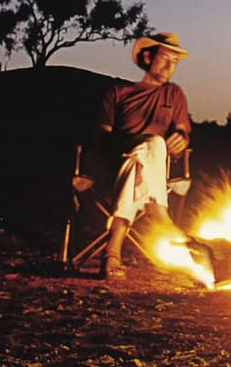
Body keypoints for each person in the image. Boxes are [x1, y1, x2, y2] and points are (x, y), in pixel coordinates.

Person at [89, 31, 193, 280]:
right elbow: (100, 138)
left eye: (174, 63)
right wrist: (129, 146)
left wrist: (181, 139)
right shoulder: (117, 92)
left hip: (146, 169)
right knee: (148, 147)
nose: (170, 67)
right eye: (165, 59)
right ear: (148, 57)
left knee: (151, 149)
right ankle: (159, 213)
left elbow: (182, 130)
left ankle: (112, 250)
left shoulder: (173, 94)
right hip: (115, 162)